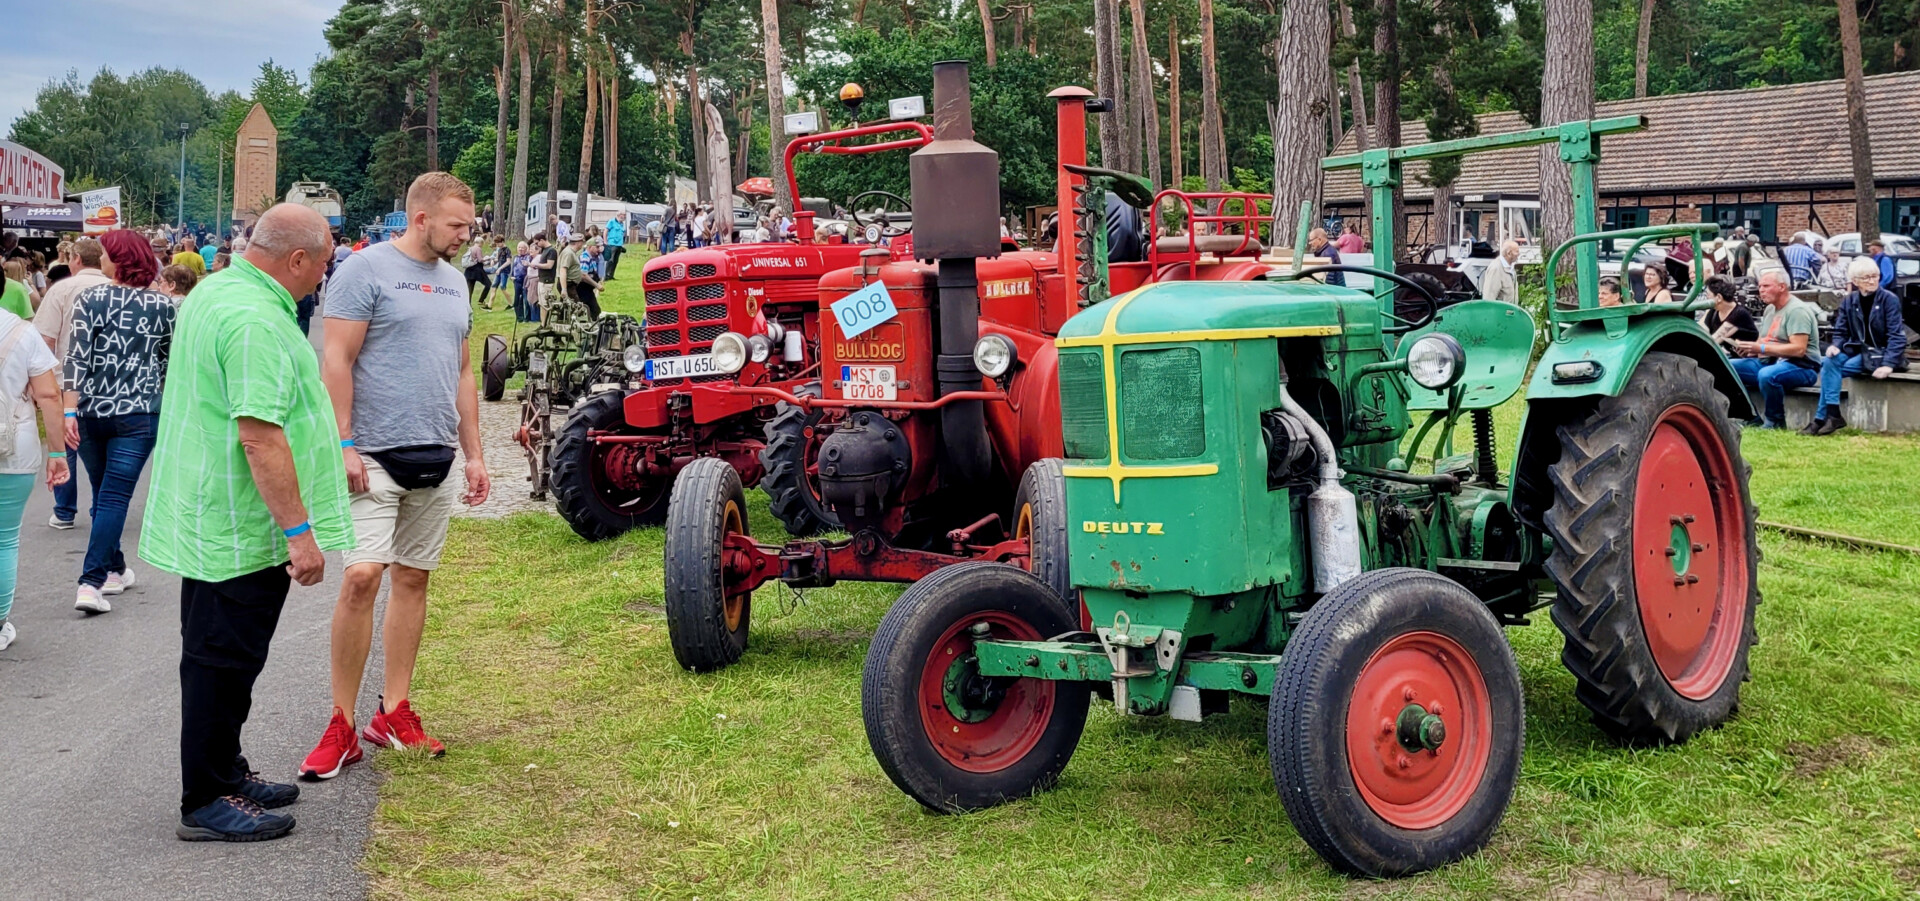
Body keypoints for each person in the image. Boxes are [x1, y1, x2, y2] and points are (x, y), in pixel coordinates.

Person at [140, 204, 347, 841]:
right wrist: (299, 534)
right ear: (296, 259)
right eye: (323, 263)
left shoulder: (221, 289)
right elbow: (259, 436)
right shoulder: (254, 319)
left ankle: (225, 770)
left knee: (222, 655)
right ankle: (205, 797)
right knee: (222, 661)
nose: (325, 274)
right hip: (240, 522)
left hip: (217, 510)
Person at [300, 172, 490, 781]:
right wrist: (343, 443)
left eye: (469, 226)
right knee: (362, 575)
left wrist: (475, 454)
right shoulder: (365, 270)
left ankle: (393, 711)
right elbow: (337, 359)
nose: (465, 236)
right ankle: (341, 723)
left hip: (436, 455)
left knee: (412, 578)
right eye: (457, 225)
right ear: (421, 218)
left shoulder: (455, 282)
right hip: (372, 454)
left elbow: (463, 371)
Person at [63, 229, 177, 614]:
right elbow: (169, 361)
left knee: (103, 493)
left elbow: (76, 356)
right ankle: (99, 576)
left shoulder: (90, 299)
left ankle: (106, 573)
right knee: (113, 497)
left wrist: (68, 410)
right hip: (139, 413)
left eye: (107, 254)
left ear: (120, 259)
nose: (102, 260)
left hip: (91, 411)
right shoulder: (163, 307)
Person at [0, 302, 73, 652]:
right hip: (12, 448)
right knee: (4, 539)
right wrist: (57, 454)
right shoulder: (22, 332)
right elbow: (48, 395)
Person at [1802, 257, 1907, 436]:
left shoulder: (1889, 299)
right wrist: (1836, 345)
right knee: (1829, 362)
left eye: (1875, 276)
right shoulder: (1850, 300)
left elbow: (1896, 336)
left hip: (1879, 352)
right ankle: (1832, 415)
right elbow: (1841, 330)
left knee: (1830, 372)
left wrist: (1888, 364)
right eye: (1866, 277)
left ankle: (1821, 419)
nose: (1872, 281)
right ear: (1855, 281)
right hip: (1856, 349)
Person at [1729, 269, 1820, 428]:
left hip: (1802, 366)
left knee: (1767, 375)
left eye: (1766, 286)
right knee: (1726, 367)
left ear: (1782, 287)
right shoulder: (1770, 309)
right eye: (1760, 286)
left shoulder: (1797, 311)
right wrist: (1750, 350)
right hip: (1769, 361)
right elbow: (1764, 340)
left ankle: (1775, 420)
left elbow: (1799, 349)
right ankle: (1749, 416)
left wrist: (1761, 348)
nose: (1761, 290)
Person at [1702, 274, 1757, 350]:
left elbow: (1714, 341)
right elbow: (1702, 330)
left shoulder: (1739, 314)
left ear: (1719, 297)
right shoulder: (1714, 311)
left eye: (1708, 295)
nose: (1707, 298)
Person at [557, 232, 603, 318]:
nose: (583, 244)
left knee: (567, 310)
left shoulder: (572, 252)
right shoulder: (568, 253)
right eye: (582, 242)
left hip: (571, 285)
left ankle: (561, 323)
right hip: (568, 284)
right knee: (576, 309)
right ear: (578, 242)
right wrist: (564, 289)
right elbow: (563, 270)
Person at [460, 238, 494, 311]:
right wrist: (488, 258)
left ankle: (468, 305)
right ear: (480, 242)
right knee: (488, 284)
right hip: (477, 270)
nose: (482, 245)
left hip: (469, 270)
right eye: (482, 243)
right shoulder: (478, 249)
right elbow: (480, 260)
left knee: (470, 288)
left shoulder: (470, 248)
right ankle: (481, 300)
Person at [532, 232, 558, 318]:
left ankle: (545, 323)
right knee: (541, 303)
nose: (537, 245)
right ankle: (542, 322)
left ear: (542, 240)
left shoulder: (551, 251)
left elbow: (549, 265)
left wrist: (536, 265)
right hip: (541, 279)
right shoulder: (544, 250)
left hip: (547, 281)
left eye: (537, 243)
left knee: (545, 304)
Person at [510, 241, 534, 322]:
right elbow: (513, 267)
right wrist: (511, 276)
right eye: (519, 247)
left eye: (522, 247)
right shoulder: (515, 257)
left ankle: (527, 317)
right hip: (517, 280)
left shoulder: (528, 257)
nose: (520, 249)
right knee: (517, 299)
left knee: (526, 299)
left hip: (526, 280)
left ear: (526, 249)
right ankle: (519, 317)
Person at [604, 214, 626, 280]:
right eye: (623, 216)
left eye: (624, 216)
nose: (624, 217)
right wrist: (605, 241)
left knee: (616, 261)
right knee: (610, 260)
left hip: (619, 245)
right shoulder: (611, 222)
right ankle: (606, 276)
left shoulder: (622, 224)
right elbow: (605, 231)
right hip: (612, 244)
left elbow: (622, 234)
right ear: (618, 215)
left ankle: (611, 275)